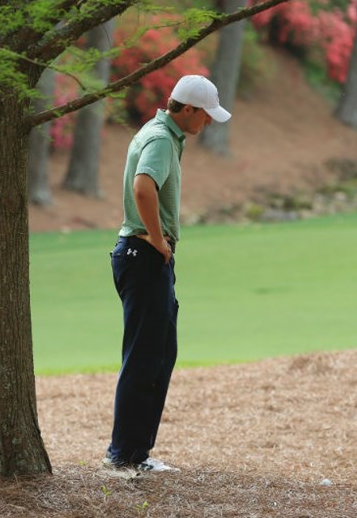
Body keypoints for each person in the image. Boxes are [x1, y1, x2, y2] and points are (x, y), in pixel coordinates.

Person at [103, 75, 231, 474]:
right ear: (188, 109)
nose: (208, 123)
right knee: (145, 358)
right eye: (206, 115)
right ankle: (125, 455)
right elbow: (144, 188)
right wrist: (158, 240)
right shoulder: (160, 139)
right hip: (143, 253)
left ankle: (134, 452)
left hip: (141, 254)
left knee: (157, 355)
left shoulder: (162, 134)